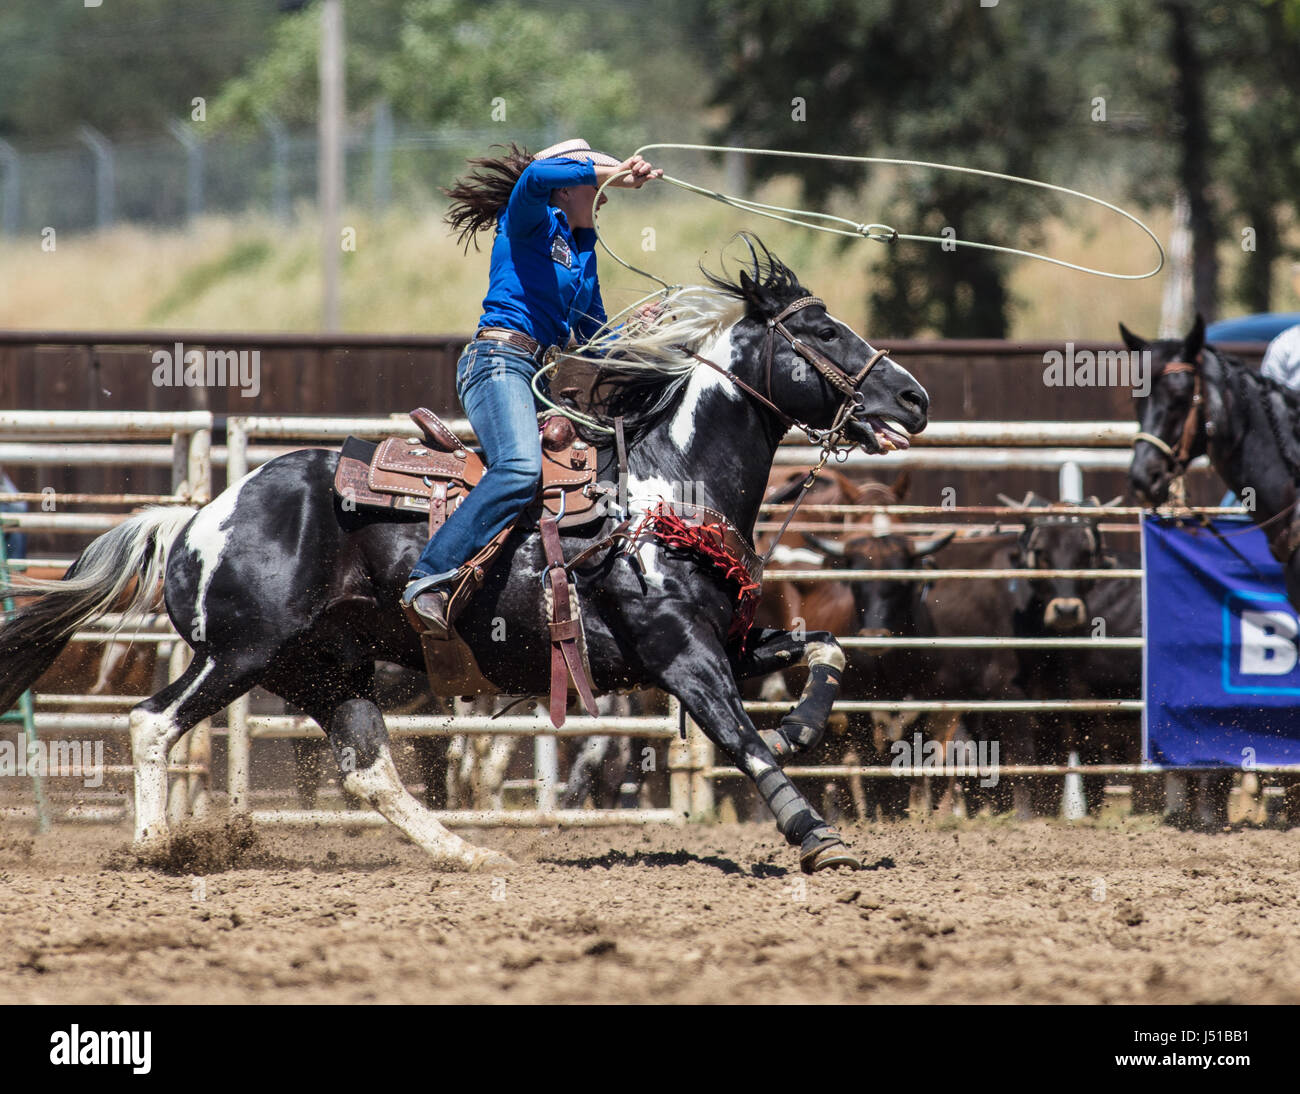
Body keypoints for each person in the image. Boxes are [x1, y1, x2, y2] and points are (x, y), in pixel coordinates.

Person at [402, 139, 662, 633]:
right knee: (521, 468)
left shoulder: (581, 244)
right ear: (568, 186)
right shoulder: (529, 216)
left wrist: (639, 331)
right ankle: (427, 577)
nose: (605, 196)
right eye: (596, 186)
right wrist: (612, 171)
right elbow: (536, 178)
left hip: (539, 374)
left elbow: (592, 335)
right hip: (497, 360)